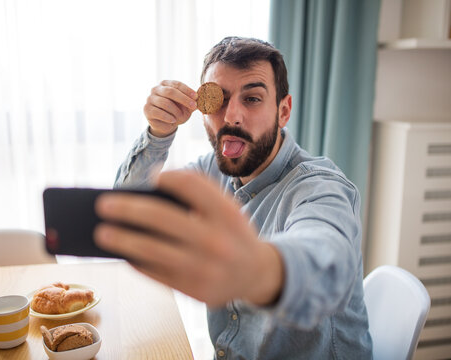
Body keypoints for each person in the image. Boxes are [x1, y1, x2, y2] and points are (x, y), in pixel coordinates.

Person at [94, 36, 372, 359]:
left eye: (252, 99)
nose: (231, 116)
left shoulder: (320, 188)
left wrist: (259, 270)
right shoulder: (213, 171)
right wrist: (158, 133)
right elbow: (128, 212)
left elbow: (326, 261)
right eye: (220, 100)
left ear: (283, 111)